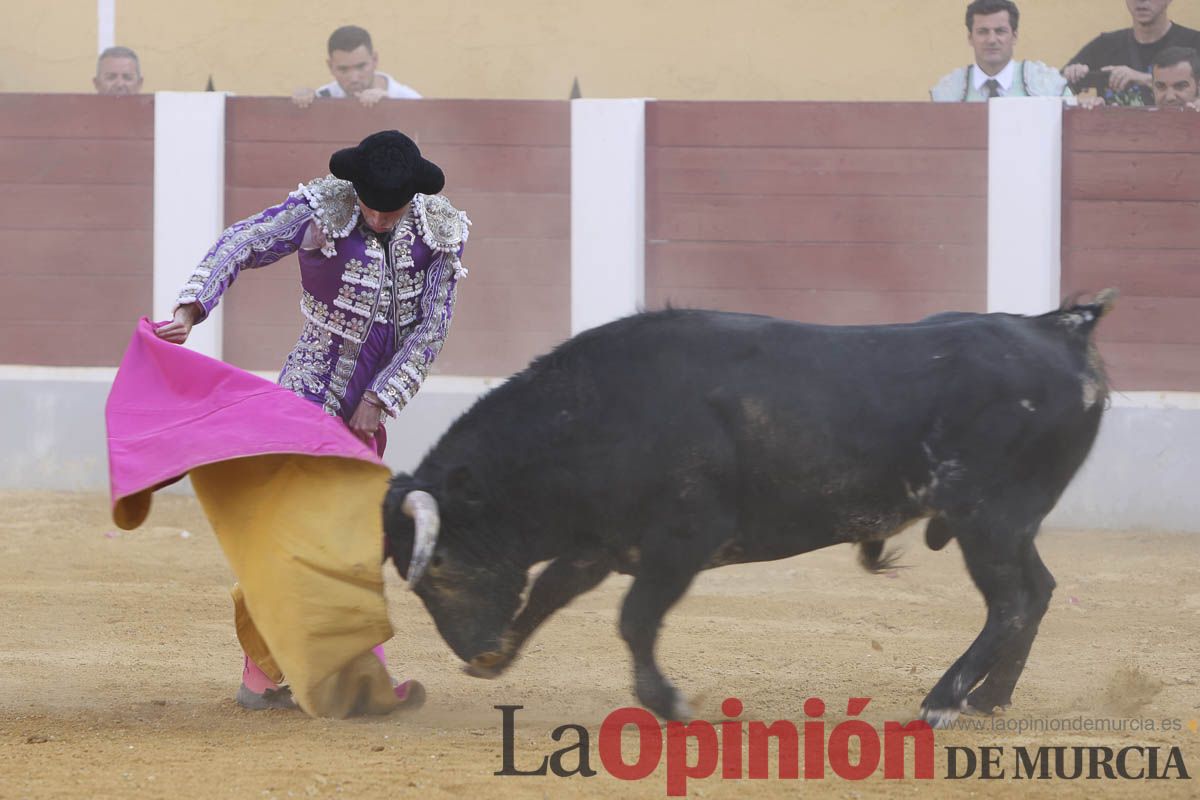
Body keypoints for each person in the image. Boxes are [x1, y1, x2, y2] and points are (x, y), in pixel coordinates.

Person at [155, 130, 470, 709]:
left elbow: (432, 327)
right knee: (324, 539)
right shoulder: (326, 204)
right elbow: (243, 241)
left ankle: (265, 676)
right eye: (369, 204)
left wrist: (379, 398)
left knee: (330, 540)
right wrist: (189, 309)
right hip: (305, 397)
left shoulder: (440, 232)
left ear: (413, 198)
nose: (376, 218)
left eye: (389, 209)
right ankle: (347, 678)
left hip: (366, 412)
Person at [931, 1, 1075, 102]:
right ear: (970, 38)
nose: (992, 39)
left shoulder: (1047, 84)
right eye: (983, 32)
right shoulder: (949, 91)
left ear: (1014, 36)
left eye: (1000, 31)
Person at [1063, 0, 1200, 107]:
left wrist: (1142, 78)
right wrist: (1073, 83)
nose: (1141, 1)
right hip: (1117, 139)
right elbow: (1051, 92)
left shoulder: (1194, 43)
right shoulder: (1104, 45)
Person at [292, 25, 421, 108]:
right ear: (330, 66)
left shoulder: (408, 99)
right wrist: (302, 102)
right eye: (343, 69)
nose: (354, 78)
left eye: (361, 67)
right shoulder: (322, 97)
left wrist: (390, 107)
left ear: (375, 60)